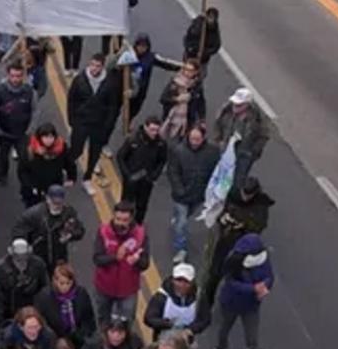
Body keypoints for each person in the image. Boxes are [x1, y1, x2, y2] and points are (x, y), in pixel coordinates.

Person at [202, 176, 274, 305]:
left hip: (243, 247)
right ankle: (207, 303)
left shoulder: (260, 205)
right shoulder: (233, 196)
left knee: (236, 277)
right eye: (243, 193)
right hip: (226, 240)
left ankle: (231, 303)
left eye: (249, 195)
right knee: (214, 274)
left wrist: (243, 224)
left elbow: (259, 226)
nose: (245, 197)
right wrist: (223, 219)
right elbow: (222, 210)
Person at [213, 233, 273, 349]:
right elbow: (231, 283)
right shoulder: (233, 262)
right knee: (224, 328)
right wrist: (253, 288)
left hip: (251, 306)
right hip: (231, 303)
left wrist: (265, 286)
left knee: (252, 337)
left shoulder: (263, 260)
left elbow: (269, 276)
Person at [67, 54, 123, 195]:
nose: (94, 68)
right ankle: (68, 171)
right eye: (92, 65)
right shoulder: (79, 80)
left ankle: (87, 179)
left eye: (98, 66)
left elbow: (112, 105)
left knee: (94, 154)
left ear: (102, 66)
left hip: (99, 123)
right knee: (76, 149)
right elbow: (71, 100)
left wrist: (108, 124)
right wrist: (72, 120)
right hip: (81, 121)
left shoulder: (109, 83)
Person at [166, 124, 220, 262]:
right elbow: (173, 171)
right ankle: (181, 249)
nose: (194, 142)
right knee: (182, 224)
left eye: (197, 139)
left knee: (187, 214)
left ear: (203, 138)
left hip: (199, 195)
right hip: (182, 195)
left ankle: (177, 217)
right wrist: (179, 189)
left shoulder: (213, 151)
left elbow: (217, 171)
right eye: (192, 138)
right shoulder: (178, 151)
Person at [92, 201, 149, 324]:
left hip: (128, 289)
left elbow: (145, 264)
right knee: (103, 320)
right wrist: (114, 258)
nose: (120, 223)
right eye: (118, 219)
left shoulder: (140, 234)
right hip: (104, 287)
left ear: (131, 219)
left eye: (124, 220)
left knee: (126, 323)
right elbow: (97, 259)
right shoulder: (103, 232)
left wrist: (137, 260)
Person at [12, 184, 85, 273]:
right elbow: (18, 231)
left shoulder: (69, 212)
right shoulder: (34, 214)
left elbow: (80, 230)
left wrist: (71, 235)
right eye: (54, 202)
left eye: (59, 203)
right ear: (47, 199)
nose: (57, 206)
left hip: (59, 258)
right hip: (38, 257)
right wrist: (25, 247)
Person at [214, 88, 271, 192]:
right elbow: (217, 125)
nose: (235, 107)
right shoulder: (226, 111)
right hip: (225, 151)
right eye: (235, 103)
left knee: (238, 180)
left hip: (244, 154)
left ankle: (232, 199)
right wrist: (219, 141)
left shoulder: (257, 118)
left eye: (239, 105)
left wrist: (254, 151)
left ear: (247, 105)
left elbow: (264, 135)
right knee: (221, 177)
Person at [115, 116, 168, 225]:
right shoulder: (133, 140)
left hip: (147, 180)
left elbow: (162, 161)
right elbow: (120, 157)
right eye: (152, 129)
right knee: (126, 204)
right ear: (145, 127)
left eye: (157, 130)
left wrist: (154, 175)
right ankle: (123, 223)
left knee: (142, 205)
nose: (154, 133)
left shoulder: (161, 144)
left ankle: (138, 224)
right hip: (131, 179)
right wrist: (127, 175)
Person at [34, 263, 96, 349]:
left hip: (79, 338)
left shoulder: (81, 293)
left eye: (68, 283)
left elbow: (89, 319)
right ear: (55, 281)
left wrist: (82, 335)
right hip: (54, 339)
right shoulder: (44, 297)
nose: (65, 286)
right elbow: (40, 322)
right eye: (61, 283)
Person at [144, 263, 210, 342]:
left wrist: (191, 330)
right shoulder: (162, 296)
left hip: (186, 341)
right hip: (162, 339)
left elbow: (205, 319)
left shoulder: (199, 297)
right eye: (178, 280)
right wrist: (168, 324)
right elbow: (149, 318)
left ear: (192, 282)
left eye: (186, 281)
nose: (182, 285)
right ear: (172, 280)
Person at [17, 125, 77, 209]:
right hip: (34, 188)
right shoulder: (30, 149)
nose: (48, 140)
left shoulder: (61, 148)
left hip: (53, 186)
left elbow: (69, 163)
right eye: (45, 137)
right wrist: (30, 186)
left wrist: (72, 178)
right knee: (32, 210)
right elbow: (22, 170)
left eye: (51, 137)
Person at [0, 238, 48, 323]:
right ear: (11, 253)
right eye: (18, 257)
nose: (22, 260)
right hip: (9, 314)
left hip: (33, 310)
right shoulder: (0, 270)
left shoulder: (38, 265)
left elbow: (45, 289)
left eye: (24, 256)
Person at [0, 62, 34, 178]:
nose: (15, 79)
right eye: (13, 76)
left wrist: (30, 129)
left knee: (24, 158)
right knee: (3, 157)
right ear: (8, 75)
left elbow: (35, 111)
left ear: (23, 76)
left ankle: (23, 177)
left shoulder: (30, 91)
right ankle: (3, 174)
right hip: (4, 132)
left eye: (18, 76)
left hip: (22, 133)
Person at [158, 59, 205, 142]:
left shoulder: (197, 86)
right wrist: (176, 100)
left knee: (178, 143)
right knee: (164, 140)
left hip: (186, 120)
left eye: (190, 70)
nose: (187, 72)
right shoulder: (174, 83)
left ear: (196, 72)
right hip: (170, 117)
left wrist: (202, 119)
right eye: (186, 69)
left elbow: (201, 103)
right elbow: (163, 99)